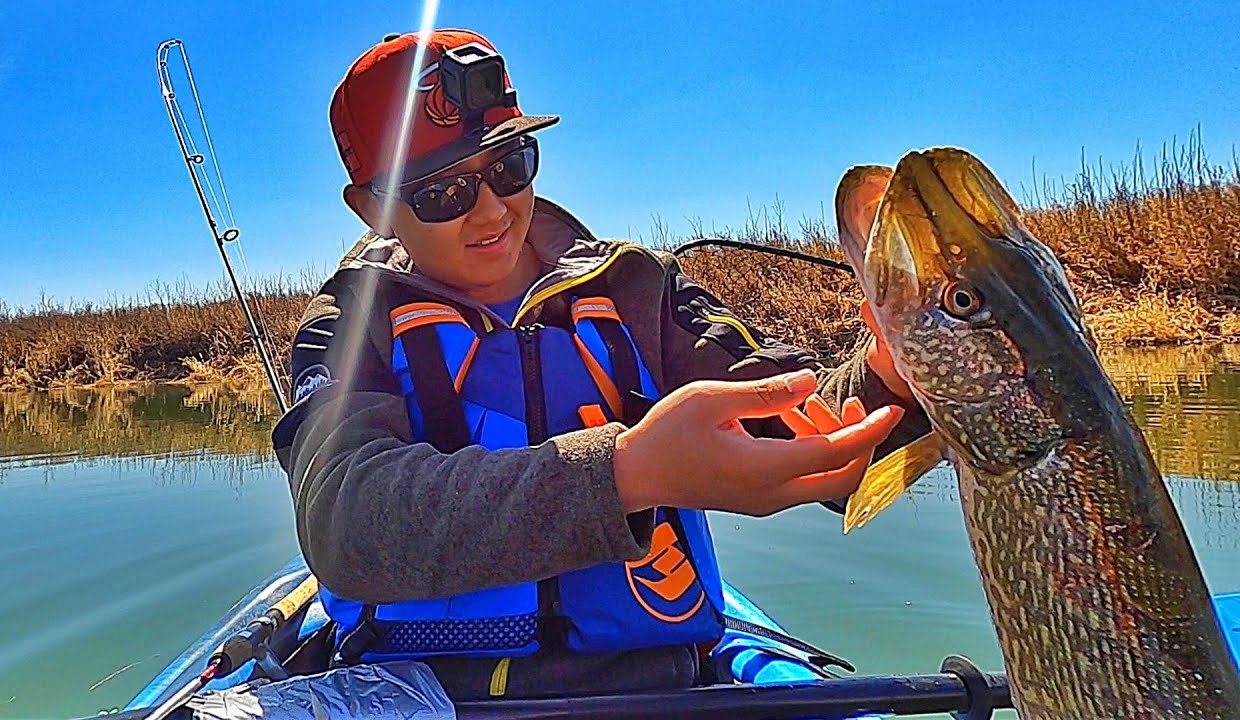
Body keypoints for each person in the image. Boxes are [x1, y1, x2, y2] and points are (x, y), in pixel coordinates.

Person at [271, 29, 928, 699]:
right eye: (444, 194)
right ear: (372, 207)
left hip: (663, 687)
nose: (493, 211)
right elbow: (345, 522)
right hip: (429, 694)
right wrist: (623, 475)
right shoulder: (348, 325)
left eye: (509, 165)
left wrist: (892, 380)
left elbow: (791, 423)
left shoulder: (640, 287)